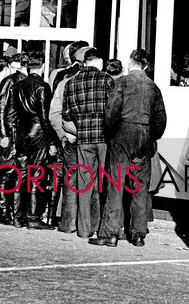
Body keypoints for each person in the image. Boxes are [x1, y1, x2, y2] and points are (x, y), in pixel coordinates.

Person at [90, 49, 166, 248]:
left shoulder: (122, 83)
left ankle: (110, 233)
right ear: (146, 66)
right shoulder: (153, 87)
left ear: (131, 63)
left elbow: (111, 113)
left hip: (123, 133)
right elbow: (160, 118)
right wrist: (151, 137)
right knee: (140, 186)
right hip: (145, 134)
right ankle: (138, 234)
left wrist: (111, 134)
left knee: (115, 183)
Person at [63, 47, 116, 239]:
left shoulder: (71, 83)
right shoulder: (107, 80)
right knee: (106, 183)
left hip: (83, 139)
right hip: (104, 139)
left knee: (84, 184)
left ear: (84, 62)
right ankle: (103, 227)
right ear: (99, 61)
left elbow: (66, 115)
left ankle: (84, 229)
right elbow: (114, 111)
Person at [6, 51, 58, 230]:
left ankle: (17, 216)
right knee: (36, 175)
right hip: (38, 134)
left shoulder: (17, 86)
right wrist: (51, 141)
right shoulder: (42, 86)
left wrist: (12, 137)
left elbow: (10, 114)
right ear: (42, 66)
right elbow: (45, 117)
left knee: (20, 175)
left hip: (22, 133)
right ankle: (33, 217)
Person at [48, 41, 89, 233]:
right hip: (92, 140)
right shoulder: (103, 81)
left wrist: (64, 136)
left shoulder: (62, 80)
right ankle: (86, 225)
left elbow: (54, 114)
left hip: (71, 138)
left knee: (70, 179)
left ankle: (67, 223)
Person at [0, 53, 27, 225]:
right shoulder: (11, 81)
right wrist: (4, 134)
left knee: (12, 172)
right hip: (11, 132)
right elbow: (2, 106)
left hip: (17, 132)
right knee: (7, 172)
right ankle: (5, 211)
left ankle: (8, 211)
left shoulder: (15, 81)